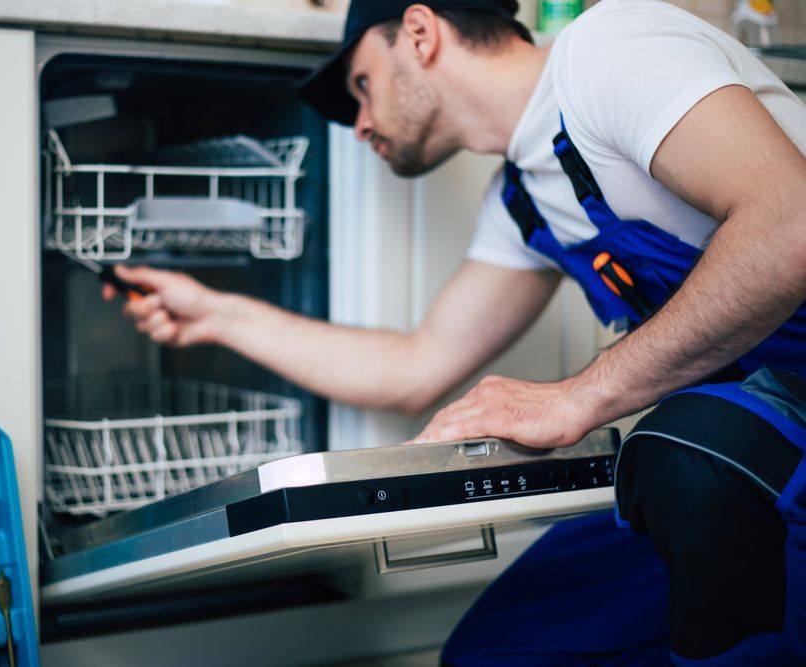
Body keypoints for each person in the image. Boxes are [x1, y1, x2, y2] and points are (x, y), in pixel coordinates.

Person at [105, 0, 806, 663]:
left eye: (362, 84)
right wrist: (216, 312)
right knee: (494, 652)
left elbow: (790, 225)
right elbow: (413, 368)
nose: (359, 125)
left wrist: (580, 395)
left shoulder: (608, 51)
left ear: (419, 32)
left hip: (741, 444)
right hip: (754, 433)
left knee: (686, 451)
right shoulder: (521, 201)